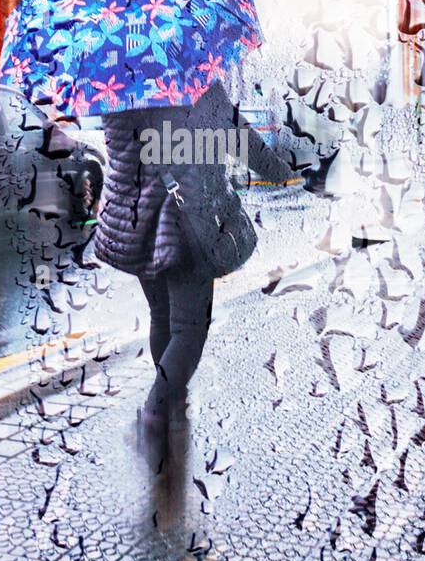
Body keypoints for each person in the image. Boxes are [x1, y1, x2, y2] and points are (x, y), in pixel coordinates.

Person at [93, 81, 290, 466]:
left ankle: (168, 405)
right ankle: (156, 413)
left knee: (161, 316)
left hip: (133, 223)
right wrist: (281, 171)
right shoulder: (193, 81)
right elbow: (240, 139)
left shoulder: (113, 87)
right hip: (186, 220)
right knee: (188, 330)